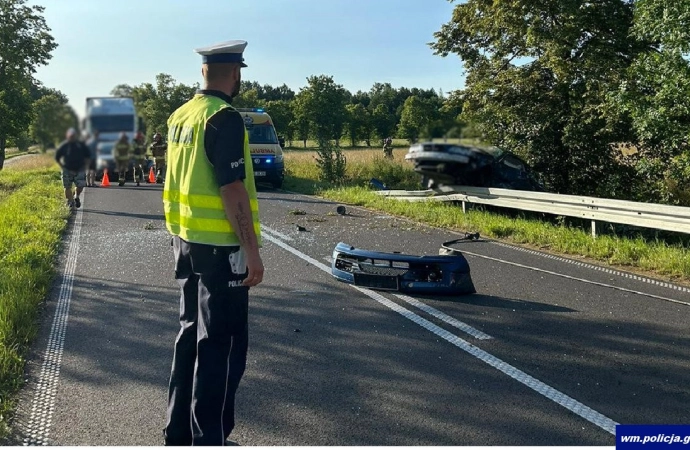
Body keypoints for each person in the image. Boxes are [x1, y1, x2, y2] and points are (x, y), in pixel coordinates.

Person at [162, 39, 264, 447]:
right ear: (236, 73)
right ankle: (210, 439)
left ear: (203, 71)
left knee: (189, 333)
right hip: (222, 247)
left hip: (184, 240)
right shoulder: (225, 118)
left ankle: (178, 431)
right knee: (221, 345)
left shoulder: (180, 116)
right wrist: (252, 251)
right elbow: (232, 188)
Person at [55, 128, 91, 209]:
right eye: (70, 136)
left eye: (73, 136)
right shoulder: (64, 146)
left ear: (76, 136)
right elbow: (57, 157)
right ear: (67, 136)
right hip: (67, 170)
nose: (72, 138)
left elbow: (88, 156)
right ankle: (70, 202)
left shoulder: (81, 145)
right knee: (67, 187)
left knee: (80, 186)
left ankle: (76, 196)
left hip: (79, 169)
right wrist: (62, 167)